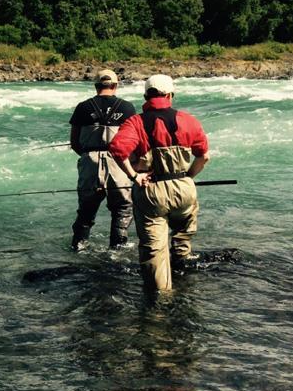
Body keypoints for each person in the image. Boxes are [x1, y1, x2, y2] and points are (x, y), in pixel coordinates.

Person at [109, 75, 209, 293]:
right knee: (183, 234)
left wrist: (134, 176)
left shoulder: (136, 122)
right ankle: (184, 276)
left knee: (154, 251)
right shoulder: (188, 120)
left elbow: (117, 150)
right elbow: (203, 156)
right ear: (170, 95)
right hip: (184, 188)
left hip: (151, 190)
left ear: (146, 96)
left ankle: (161, 301)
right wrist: (188, 177)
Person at [68, 69, 136, 251]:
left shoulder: (82, 107)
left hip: (89, 161)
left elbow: (74, 143)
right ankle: (117, 249)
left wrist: (89, 157)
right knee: (122, 207)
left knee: (86, 209)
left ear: (96, 86)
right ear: (115, 85)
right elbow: (133, 141)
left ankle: (79, 246)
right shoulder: (127, 108)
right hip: (118, 162)